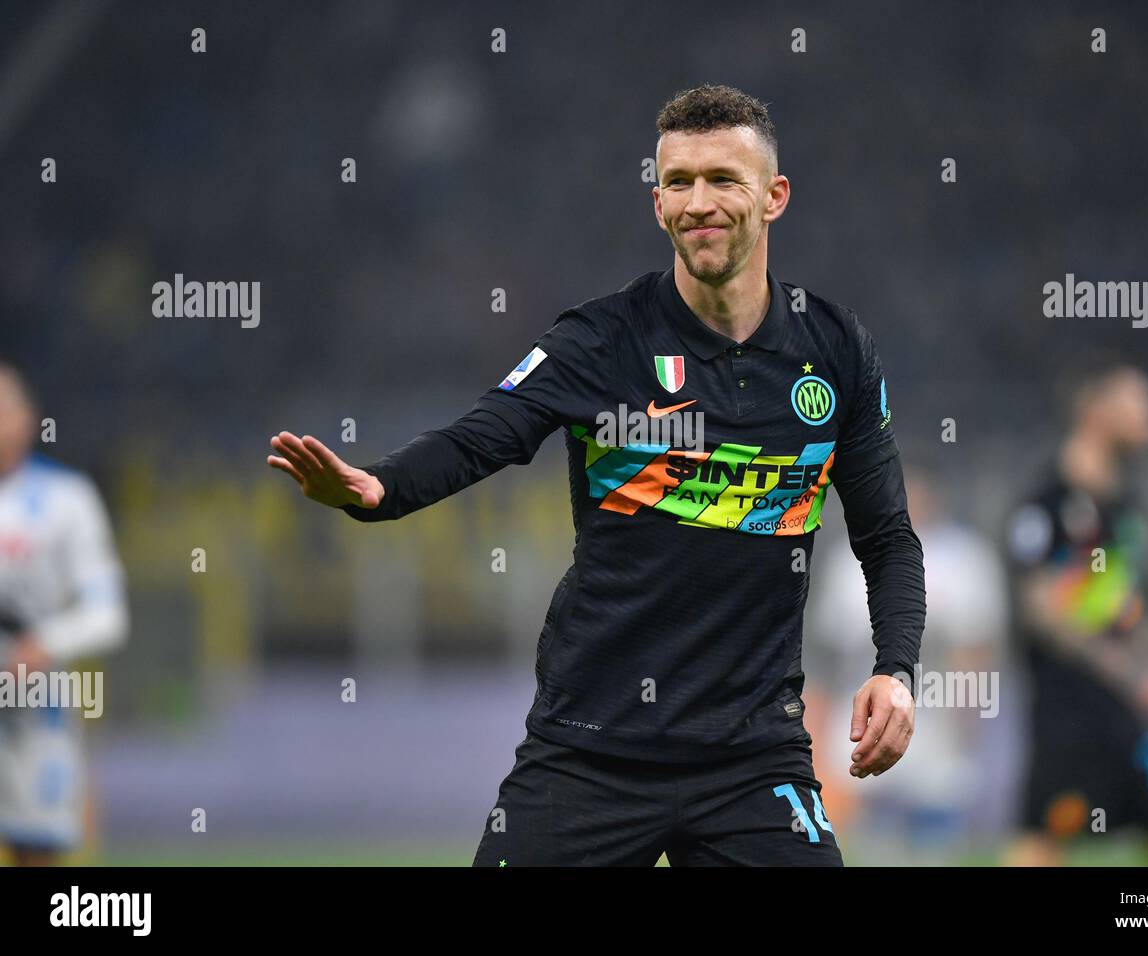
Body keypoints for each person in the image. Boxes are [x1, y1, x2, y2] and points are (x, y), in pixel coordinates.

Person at [268, 84, 926, 866]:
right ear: (656, 205)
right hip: (590, 751)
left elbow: (886, 537)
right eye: (677, 183)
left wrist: (896, 669)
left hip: (753, 757)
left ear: (775, 196)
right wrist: (379, 489)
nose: (698, 202)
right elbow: (487, 435)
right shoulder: (602, 340)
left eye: (724, 179)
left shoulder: (837, 348)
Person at [1003, 357, 1148, 866]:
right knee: (1040, 848)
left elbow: (1121, 606)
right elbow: (1044, 615)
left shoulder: (1123, 508)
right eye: (1140, 401)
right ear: (1098, 411)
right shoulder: (1046, 506)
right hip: (1068, 716)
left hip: (1128, 712)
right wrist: (1133, 674)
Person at [807, 465, 1005, 864]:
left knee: (934, 844)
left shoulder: (963, 559)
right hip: (862, 723)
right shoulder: (849, 560)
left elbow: (978, 649)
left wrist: (970, 723)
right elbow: (829, 652)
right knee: (866, 846)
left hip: (937, 726)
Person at [0, 362, 129, 865]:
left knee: (37, 856)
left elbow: (108, 614)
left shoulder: (67, 499)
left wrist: (44, 644)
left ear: (28, 418)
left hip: (35, 713)